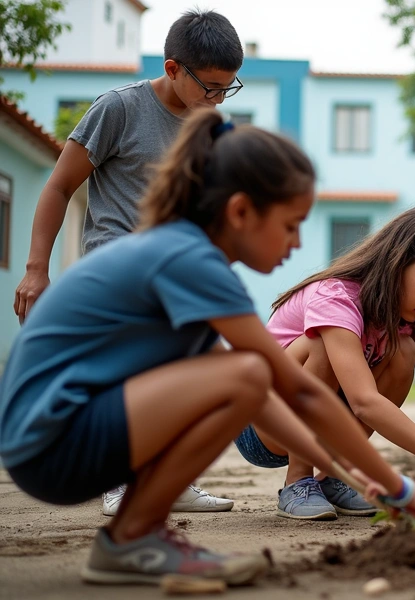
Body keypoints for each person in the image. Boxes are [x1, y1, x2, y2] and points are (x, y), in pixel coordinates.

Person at [0, 111, 415, 586]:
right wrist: (399, 487)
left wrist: (355, 475)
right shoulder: (190, 261)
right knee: (247, 372)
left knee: (240, 374)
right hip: (51, 445)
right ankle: (134, 536)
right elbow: (292, 391)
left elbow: (261, 399)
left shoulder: (182, 256)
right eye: (291, 225)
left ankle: (133, 536)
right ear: (240, 212)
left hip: (45, 445)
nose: (298, 244)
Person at [13, 9, 248, 516]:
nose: (217, 100)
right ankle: (118, 482)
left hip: (177, 269)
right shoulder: (118, 109)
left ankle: (170, 479)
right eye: (209, 87)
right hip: (117, 265)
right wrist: (37, 268)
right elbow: (58, 186)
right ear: (172, 69)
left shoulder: (209, 126)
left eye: (228, 89)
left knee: (185, 375)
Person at [234, 206, 415, 520]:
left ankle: (335, 477)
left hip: (319, 418)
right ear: (397, 261)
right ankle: (299, 479)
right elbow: (363, 402)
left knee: (403, 349)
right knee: (321, 343)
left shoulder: (408, 319)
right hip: (262, 423)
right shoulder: (336, 298)